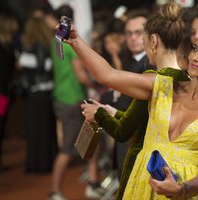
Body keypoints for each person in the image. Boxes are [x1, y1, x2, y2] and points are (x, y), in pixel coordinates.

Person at [61, 1, 198, 199]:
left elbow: (124, 129)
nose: (195, 57)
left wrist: (182, 189)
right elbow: (107, 75)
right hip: (143, 186)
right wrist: (75, 41)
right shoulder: (162, 84)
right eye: (195, 48)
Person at [49, 5, 103, 200]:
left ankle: (93, 182)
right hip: (72, 99)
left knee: (91, 139)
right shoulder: (70, 43)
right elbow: (81, 76)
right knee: (68, 149)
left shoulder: (55, 41)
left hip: (64, 97)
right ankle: (55, 191)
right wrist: (98, 86)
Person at [18, 16, 57, 173]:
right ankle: (43, 163)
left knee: (37, 128)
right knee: (43, 128)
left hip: (36, 92)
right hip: (42, 91)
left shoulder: (34, 45)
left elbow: (39, 66)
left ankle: (38, 164)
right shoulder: (42, 44)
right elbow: (44, 66)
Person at [0, 12, 18, 171]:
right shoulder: (3, 47)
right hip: (0, 93)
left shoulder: (7, 44)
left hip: (3, 92)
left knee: (1, 126)